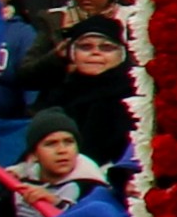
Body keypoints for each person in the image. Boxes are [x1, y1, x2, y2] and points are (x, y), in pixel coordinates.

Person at [16, 21, 128, 168]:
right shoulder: (58, 95)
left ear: (121, 55)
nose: (96, 53)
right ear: (72, 53)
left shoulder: (131, 98)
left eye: (106, 47)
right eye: (85, 47)